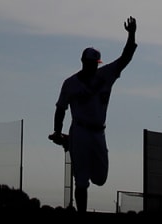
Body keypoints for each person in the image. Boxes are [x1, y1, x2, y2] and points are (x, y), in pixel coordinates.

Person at [51, 17, 138, 212]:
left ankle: (80, 161)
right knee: (81, 180)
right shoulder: (70, 83)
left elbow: (125, 58)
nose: (92, 66)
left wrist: (131, 34)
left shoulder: (105, 75)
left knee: (100, 177)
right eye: (90, 63)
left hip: (99, 132)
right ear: (83, 62)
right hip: (80, 131)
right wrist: (57, 132)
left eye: (95, 64)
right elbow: (60, 108)